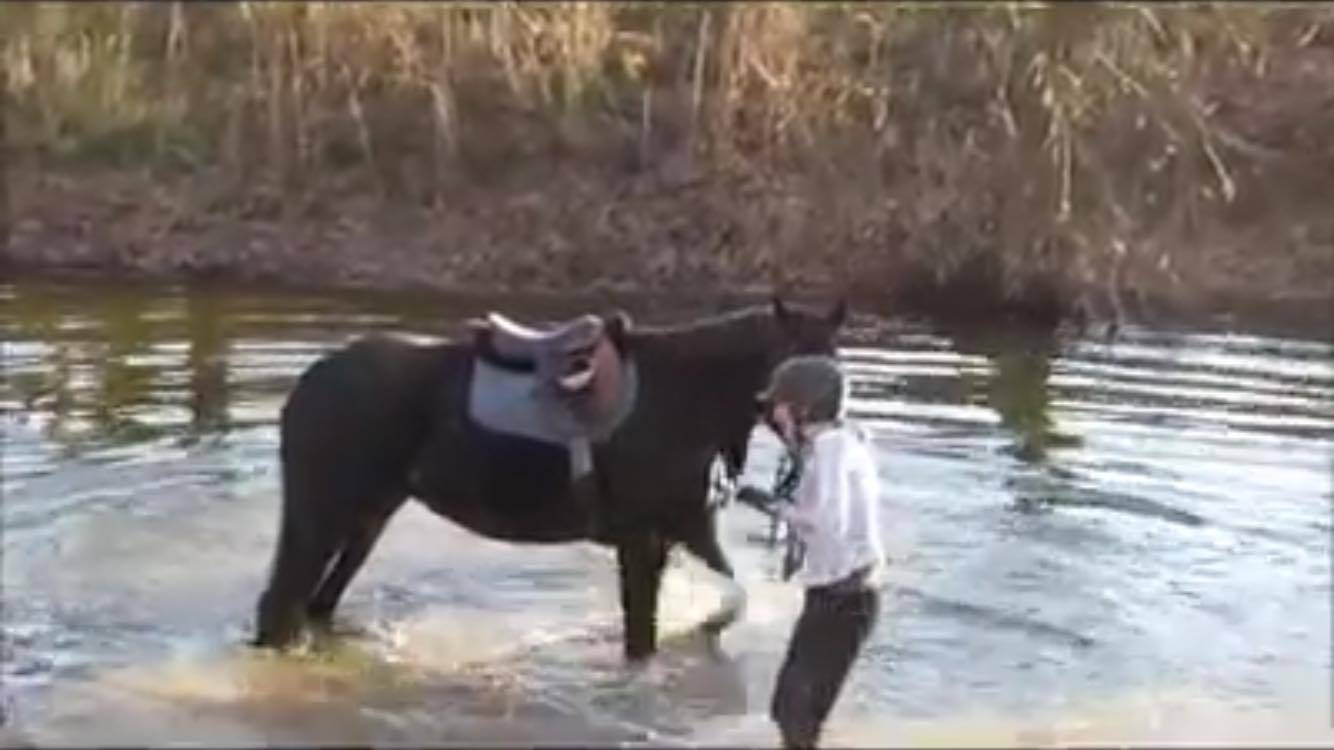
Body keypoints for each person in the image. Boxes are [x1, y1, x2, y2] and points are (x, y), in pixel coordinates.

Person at [742, 354, 886, 749]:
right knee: (789, 711)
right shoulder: (838, 442)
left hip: (845, 599)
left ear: (803, 408)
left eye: (780, 405)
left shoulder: (830, 448)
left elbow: (825, 521)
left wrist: (771, 506)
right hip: (838, 597)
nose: (774, 416)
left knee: (796, 715)